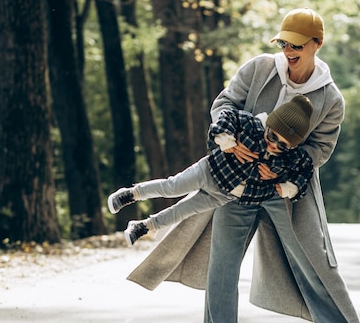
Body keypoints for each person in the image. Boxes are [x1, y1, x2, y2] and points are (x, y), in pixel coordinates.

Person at [127, 7, 360, 323]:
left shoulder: (331, 99)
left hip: (287, 195)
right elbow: (224, 105)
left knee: (319, 272)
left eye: (297, 44)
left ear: (317, 44)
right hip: (235, 185)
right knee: (221, 270)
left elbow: (320, 150)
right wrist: (228, 142)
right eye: (283, 42)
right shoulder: (258, 69)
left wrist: (284, 169)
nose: (288, 50)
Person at [108, 95, 314, 246]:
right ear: (268, 125)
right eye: (273, 137)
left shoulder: (291, 158)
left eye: (283, 145)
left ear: (292, 147)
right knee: (172, 187)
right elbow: (226, 117)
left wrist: (286, 186)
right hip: (210, 170)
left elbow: (305, 170)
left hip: (225, 195)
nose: (275, 145)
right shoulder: (251, 125)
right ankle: (131, 193)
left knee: (182, 211)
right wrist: (227, 141)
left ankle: (143, 226)